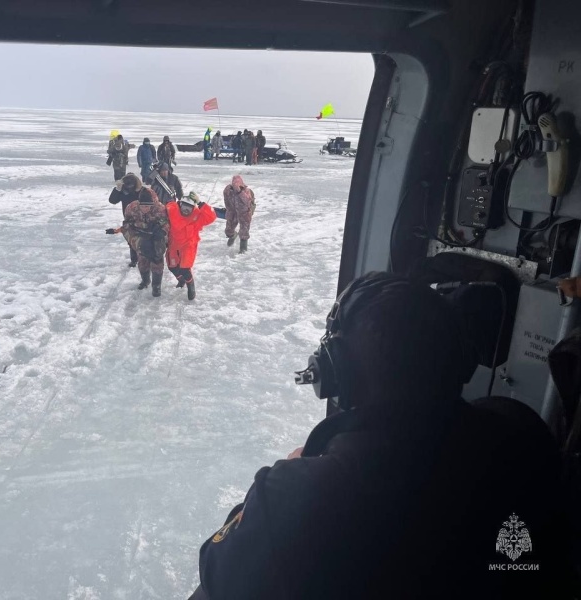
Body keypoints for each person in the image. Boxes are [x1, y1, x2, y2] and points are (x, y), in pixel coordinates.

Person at [191, 272, 571, 600]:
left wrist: (293, 474)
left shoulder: (298, 495)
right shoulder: (518, 429)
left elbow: (218, 571)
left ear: (336, 371)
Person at [165, 191, 216, 300]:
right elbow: (165, 207)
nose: (186, 210)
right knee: (172, 266)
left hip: (189, 245)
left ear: (194, 207)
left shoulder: (197, 215)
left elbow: (211, 217)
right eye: (184, 207)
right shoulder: (172, 209)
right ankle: (181, 280)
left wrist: (201, 203)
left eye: (189, 208)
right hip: (174, 243)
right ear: (180, 204)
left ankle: (190, 286)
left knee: (185, 268)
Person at [121, 186, 169, 297]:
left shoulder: (160, 209)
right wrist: (136, 235)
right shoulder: (131, 207)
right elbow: (126, 225)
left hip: (156, 238)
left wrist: (161, 231)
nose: (145, 208)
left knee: (157, 259)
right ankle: (145, 280)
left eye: (148, 206)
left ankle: (156, 286)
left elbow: (166, 223)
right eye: (143, 206)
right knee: (142, 260)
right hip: (140, 236)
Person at [108, 173, 142, 267]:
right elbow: (112, 200)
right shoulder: (122, 191)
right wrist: (117, 189)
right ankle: (134, 259)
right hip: (128, 218)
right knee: (131, 239)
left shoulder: (140, 191)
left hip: (141, 217)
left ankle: (142, 258)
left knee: (141, 238)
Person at [223, 175, 255, 253]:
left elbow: (247, 202)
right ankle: (233, 235)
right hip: (233, 211)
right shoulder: (228, 190)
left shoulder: (246, 191)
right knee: (228, 230)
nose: (235, 186)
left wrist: (240, 192)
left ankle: (243, 248)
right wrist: (228, 210)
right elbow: (226, 201)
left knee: (244, 231)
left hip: (245, 213)